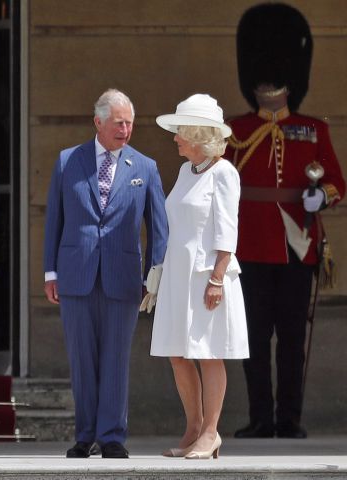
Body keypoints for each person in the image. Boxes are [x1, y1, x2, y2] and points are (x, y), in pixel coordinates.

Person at [227, 3, 345, 439]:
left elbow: (337, 182)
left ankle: (288, 418)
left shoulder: (312, 129)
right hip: (251, 249)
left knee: (292, 342)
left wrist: (319, 196)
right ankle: (261, 417)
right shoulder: (235, 131)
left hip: (298, 246)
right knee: (254, 341)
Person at [43, 88, 168, 459]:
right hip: (76, 274)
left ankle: (112, 435)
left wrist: (154, 276)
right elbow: (54, 220)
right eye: (119, 122)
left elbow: (158, 228)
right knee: (82, 358)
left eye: (130, 122)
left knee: (116, 358)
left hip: (122, 276)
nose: (126, 129)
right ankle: (85, 435)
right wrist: (51, 272)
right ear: (97, 122)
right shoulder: (68, 161)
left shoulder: (144, 167)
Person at [151, 94, 248, 460]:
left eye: (180, 131)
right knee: (178, 353)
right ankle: (193, 427)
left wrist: (218, 278)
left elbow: (227, 229)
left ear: (196, 134)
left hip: (208, 275)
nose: (175, 137)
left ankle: (211, 433)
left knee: (209, 354)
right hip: (179, 274)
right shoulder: (184, 171)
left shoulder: (224, 172)